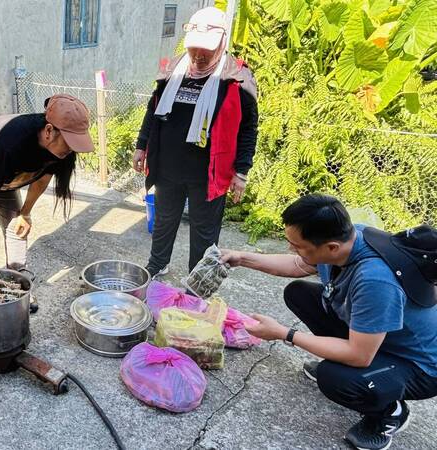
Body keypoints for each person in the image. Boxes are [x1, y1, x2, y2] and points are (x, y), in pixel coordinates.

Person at [221, 194, 437, 450]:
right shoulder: (351, 236)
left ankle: (389, 412)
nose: (292, 249)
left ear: (331, 247)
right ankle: (347, 364)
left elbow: (359, 356)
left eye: (298, 245)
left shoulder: (374, 281)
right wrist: (241, 258)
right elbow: (298, 264)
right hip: (379, 338)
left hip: (420, 367)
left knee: (335, 378)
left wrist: (284, 333)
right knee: (299, 294)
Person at [133, 6, 258, 277]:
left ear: (221, 43)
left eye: (207, 51)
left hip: (208, 172)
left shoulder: (236, 77)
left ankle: (197, 276)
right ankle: (156, 265)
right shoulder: (173, 70)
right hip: (167, 165)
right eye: (194, 50)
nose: (199, 57)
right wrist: (142, 145)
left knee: (204, 230)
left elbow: (248, 128)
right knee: (164, 221)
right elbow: (152, 110)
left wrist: (241, 171)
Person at [0, 94, 94, 278]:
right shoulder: (10, 143)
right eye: (69, 143)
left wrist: (25, 213)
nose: (71, 149)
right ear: (49, 131)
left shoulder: (61, 151)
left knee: (17, 227)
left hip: (1, 171)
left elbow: (43, 178)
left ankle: (17, 284)